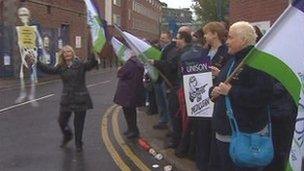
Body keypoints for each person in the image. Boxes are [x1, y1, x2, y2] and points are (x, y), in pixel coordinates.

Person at [209, 21, 274, 171]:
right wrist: (213, 93)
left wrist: (231, 91)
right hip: (225, 133)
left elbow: (262, 96)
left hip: (242, 138)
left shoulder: (258, 63)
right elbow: (220, 85)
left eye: (231, 38)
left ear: (243, 40)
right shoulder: (233, 59)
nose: (227, 42)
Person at [34, 45, 98, 152]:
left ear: (72, 53)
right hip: (67, 98)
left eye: (69, 51)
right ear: (62, 55)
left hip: (80, 97)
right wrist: (36, 62)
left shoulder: (80, 64)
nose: (67, 54)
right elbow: (49, 70)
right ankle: (67, 135)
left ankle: (78, 143)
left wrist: (93, 54)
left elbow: (91, 64)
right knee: (61, 121)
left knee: (79, 124)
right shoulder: (61, 67)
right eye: (65, 52)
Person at [114, 55, 145, 139]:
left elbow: (121, 74)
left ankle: (133, 130)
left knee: (129, 111)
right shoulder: (137, 63)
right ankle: (131, 129)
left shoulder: (130, 63)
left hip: (127, 91)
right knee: (130, 111)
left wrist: (120, 69)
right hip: (133, 90)